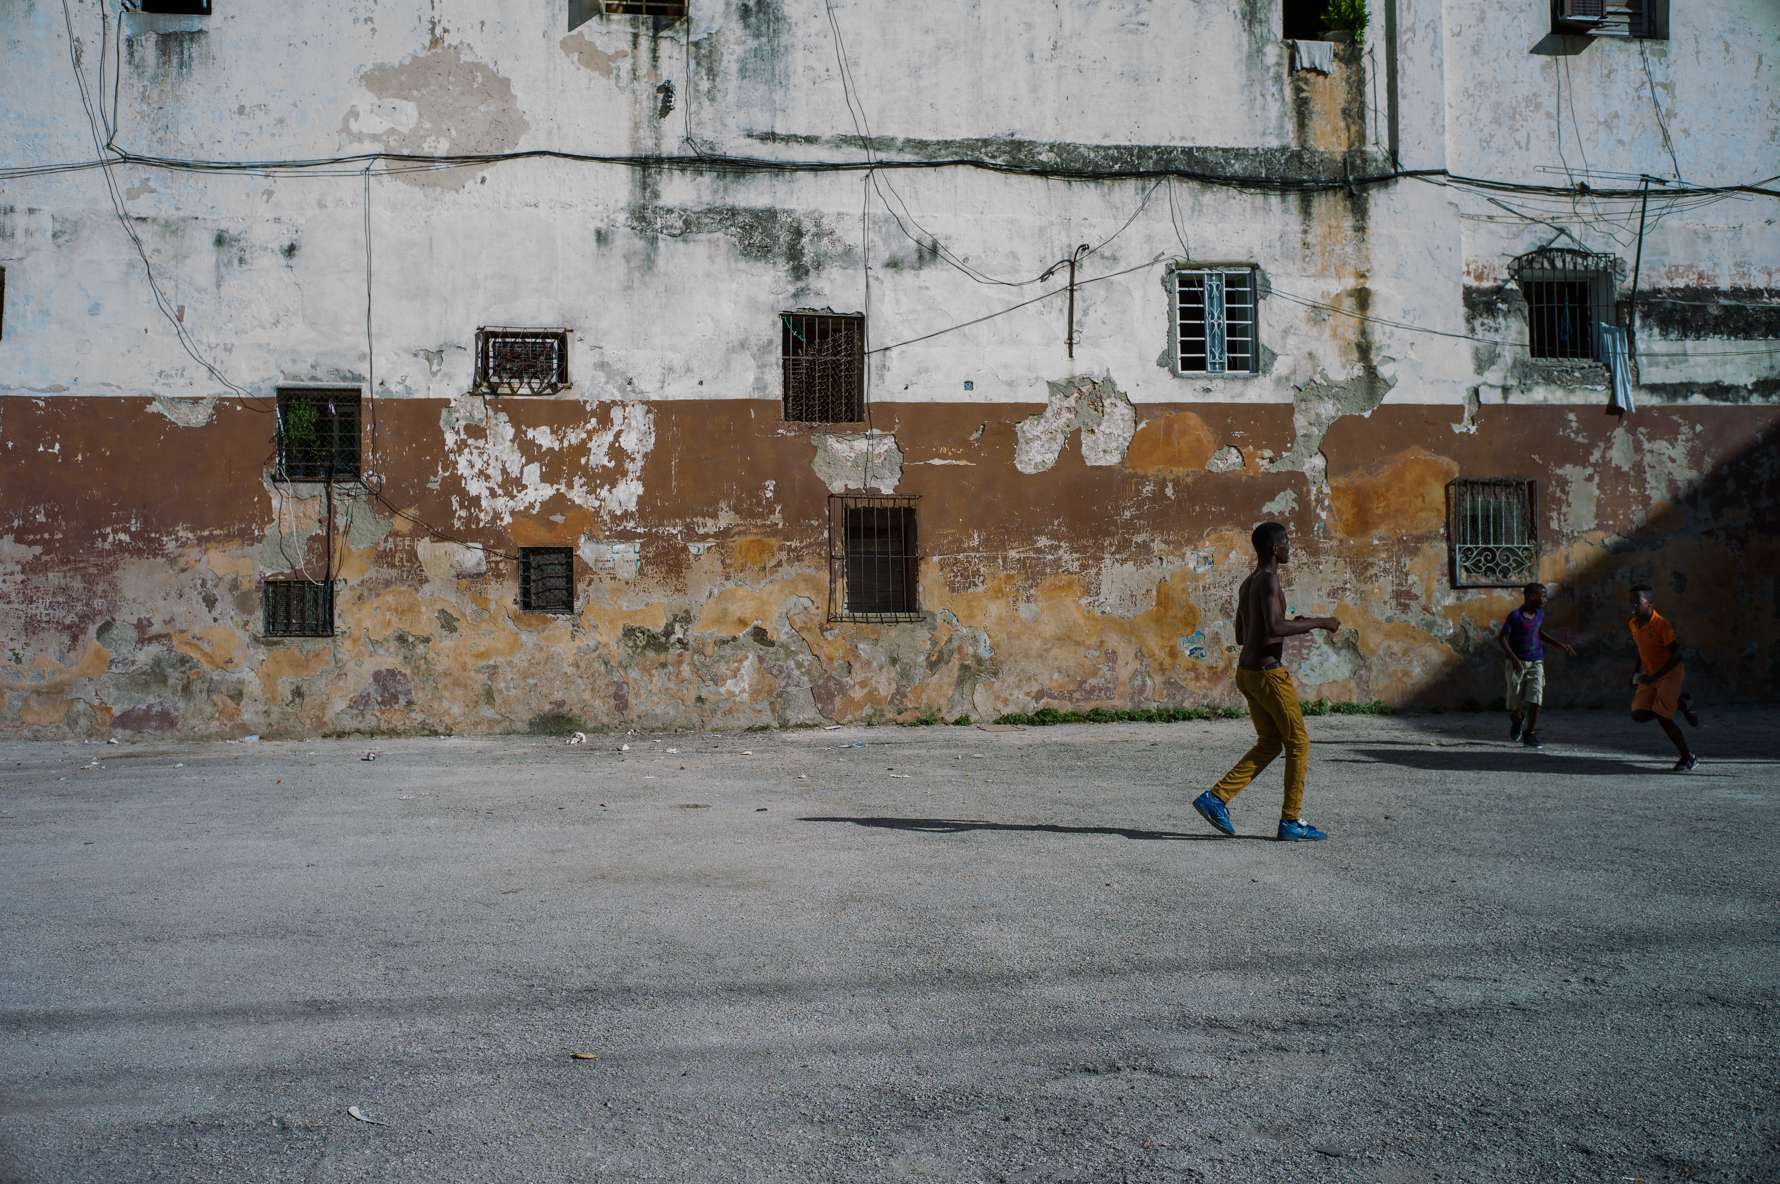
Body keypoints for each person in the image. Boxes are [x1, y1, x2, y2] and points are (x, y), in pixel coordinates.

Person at [1193, 522, 1342, 841]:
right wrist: (1320, 622)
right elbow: (1274, 628)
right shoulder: (1270, 580)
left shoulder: (1249, 583)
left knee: (1271, 742)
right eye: (1286, 542)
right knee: (1298, 743)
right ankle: (1291, 821)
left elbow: (1242, 635)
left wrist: (1293, 623)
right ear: (1275, 548)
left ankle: (1216, 798)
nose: (1290, 547)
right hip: (1268, 676)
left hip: (1247, 675)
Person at [1497, 582, 1577, 750]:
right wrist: (1514, 659)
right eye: (1543, 597)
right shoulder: (1515, 616)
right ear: (1532, 596)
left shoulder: (1540, 615)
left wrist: (1559, 645)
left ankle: (1530, 733)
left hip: (1536, 661)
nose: (1545, 600)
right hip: (1517, 664)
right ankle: (1517, 719)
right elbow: (1501, 638)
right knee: (1515, 702)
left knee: (1536, 697)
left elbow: (1538, 632)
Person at [1628, 584, 1699, 771]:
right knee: (1638, 715)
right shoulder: (1633, 624)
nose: (1633, 605)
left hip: (1669, 674)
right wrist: (1636, 672)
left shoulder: (1661, 624)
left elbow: (1676, 654)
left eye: (1637, 601)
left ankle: (1688, 758)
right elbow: (1642, 649)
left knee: (1664, 718)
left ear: (1650, 602)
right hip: (1650, 674)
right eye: (1631, 602)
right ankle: (1684, 704)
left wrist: (1656, 676)